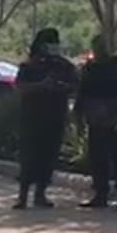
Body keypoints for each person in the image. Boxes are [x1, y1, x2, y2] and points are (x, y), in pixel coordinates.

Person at [14, 28, 78, 209]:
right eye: (49, 42)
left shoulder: (64, 66)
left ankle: (40, 194)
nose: (52, 46)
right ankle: (22, 196)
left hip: (54, 118)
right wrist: (41, 86)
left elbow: (74, 86)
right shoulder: (28, 66)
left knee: (48, 157)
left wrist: (58, 87)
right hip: (31, 118)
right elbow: (20, 87)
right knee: (28, 157)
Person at [74, 34, 117, 211]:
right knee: (98, 159)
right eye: (96, 45)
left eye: (102, 45)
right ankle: (101, 195)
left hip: (115, 117)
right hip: (95, 119)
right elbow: (81, 94)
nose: (99, 49)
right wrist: (79, 119)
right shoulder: (89, 68)